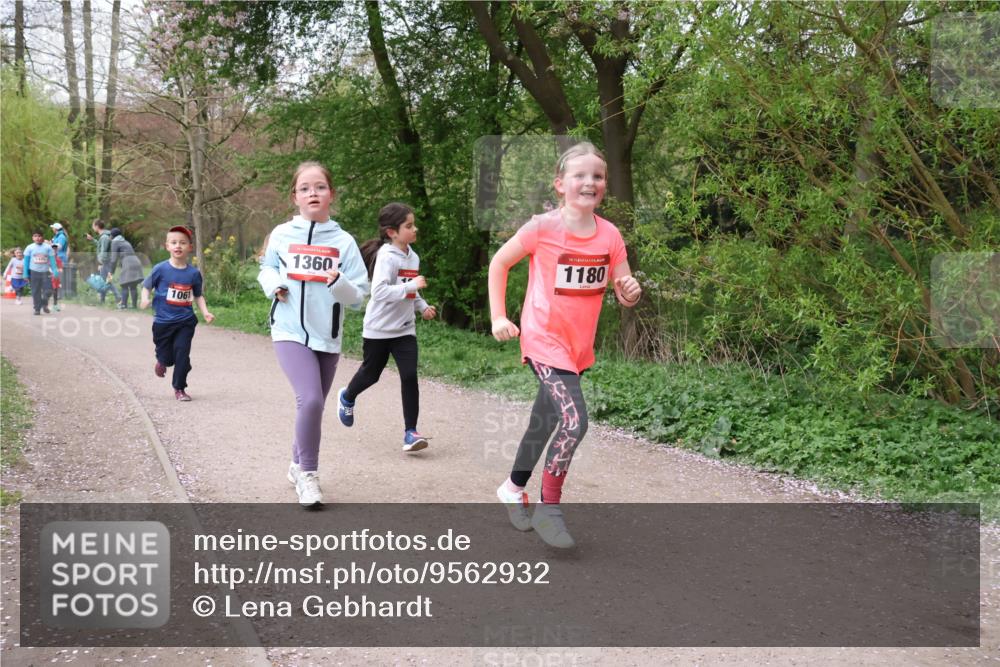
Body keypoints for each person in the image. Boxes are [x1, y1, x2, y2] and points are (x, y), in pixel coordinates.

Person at [488, 142, 642, 548]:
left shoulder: (610, 235)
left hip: (577, 348)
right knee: (575, 422)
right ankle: (548, 509)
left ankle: (511, 487)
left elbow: (624, 292)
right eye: (580, 175)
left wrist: (630, 290)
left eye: (598, 176)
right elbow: (499, 262)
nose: (590, 182)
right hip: (543, 338)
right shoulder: (543, 227)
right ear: (560, 184)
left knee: (545, 421)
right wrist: (499, 316)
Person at [258, 161, 368, 508]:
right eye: (305, 188)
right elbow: (268, 267)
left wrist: (339, 283)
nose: (313, 193)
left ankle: (295, 465)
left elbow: (358, 297)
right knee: (312, 400)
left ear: (331, 194)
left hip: (327, 336)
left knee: (313, 407)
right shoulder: (281, 235)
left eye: (319, 187)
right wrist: (274, 284)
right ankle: (308, 475)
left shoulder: (344, 242)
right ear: (295, 197)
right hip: (288, 329)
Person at [336, 203, 437, 453]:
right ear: (392, 232)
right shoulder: (386, 256)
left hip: (404, 330)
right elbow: (379, 292)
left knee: (410, 376)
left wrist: (422, 306)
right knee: (371, 374)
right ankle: (347, 396)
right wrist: (411, 287)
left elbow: (408, 290)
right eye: (409, 226)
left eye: (413, 224)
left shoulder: (412, 256)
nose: (415, 229)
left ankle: (410, 433)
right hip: (379, 329)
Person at [140, 226, 214, 401]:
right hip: (163, 322)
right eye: (174, 242)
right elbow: (146, 286)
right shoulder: (160, 269)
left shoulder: (194, 273)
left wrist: (205, 312)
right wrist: (144, 298)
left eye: (182, 242)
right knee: (167, 356)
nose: (178, 246)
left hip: (185, 321)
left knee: (182, 353)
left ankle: (179, 388)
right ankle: (162, 360)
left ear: (189, 247)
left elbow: (198, 295)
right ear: (167, 246)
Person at [23, 230, 59, 315]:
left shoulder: (48, 248)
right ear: (32, 238)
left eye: (39, 236)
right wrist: (25, 273)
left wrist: (55, 271)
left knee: (49, 290)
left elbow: (52, 261)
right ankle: (37, 309)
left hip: (45, 272)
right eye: (35, 236)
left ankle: (44, 303)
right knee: (36, 291)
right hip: (34, 272)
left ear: (42, 237)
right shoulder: (29, 247)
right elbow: (26, 262)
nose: (37, 238)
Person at [86, 219, 121, 304]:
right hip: (107, 261)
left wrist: (101, 263)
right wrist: (92, 240)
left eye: (93, 225)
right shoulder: (104, 236)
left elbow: (104, 252)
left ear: (97, 226)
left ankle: (118, 296)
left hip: (106, 262)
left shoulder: (104, 237)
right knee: (103, 280)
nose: (92, 227)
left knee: (106, 281)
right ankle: (102, 300)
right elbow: (101, 246)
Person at [108, 227, 145, 309]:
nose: (109, 237)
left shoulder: (115, 242)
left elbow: (113, 259)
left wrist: (111, 272)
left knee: (124, 284)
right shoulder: (124, 241)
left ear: (112, 235)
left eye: (110, 235)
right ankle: (134, 306)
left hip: (128, 263)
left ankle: (123, 305)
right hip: (136, 261)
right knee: (133, 285)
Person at [50, 246, 64, 311]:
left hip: (55, 278)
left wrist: (59, 270)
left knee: (55, 291)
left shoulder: (58, 259)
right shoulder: (47, 258)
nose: (54, 251)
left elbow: (60, 269)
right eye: (53, 250)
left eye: (55, 250)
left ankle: (55, 305)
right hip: (47, 277)